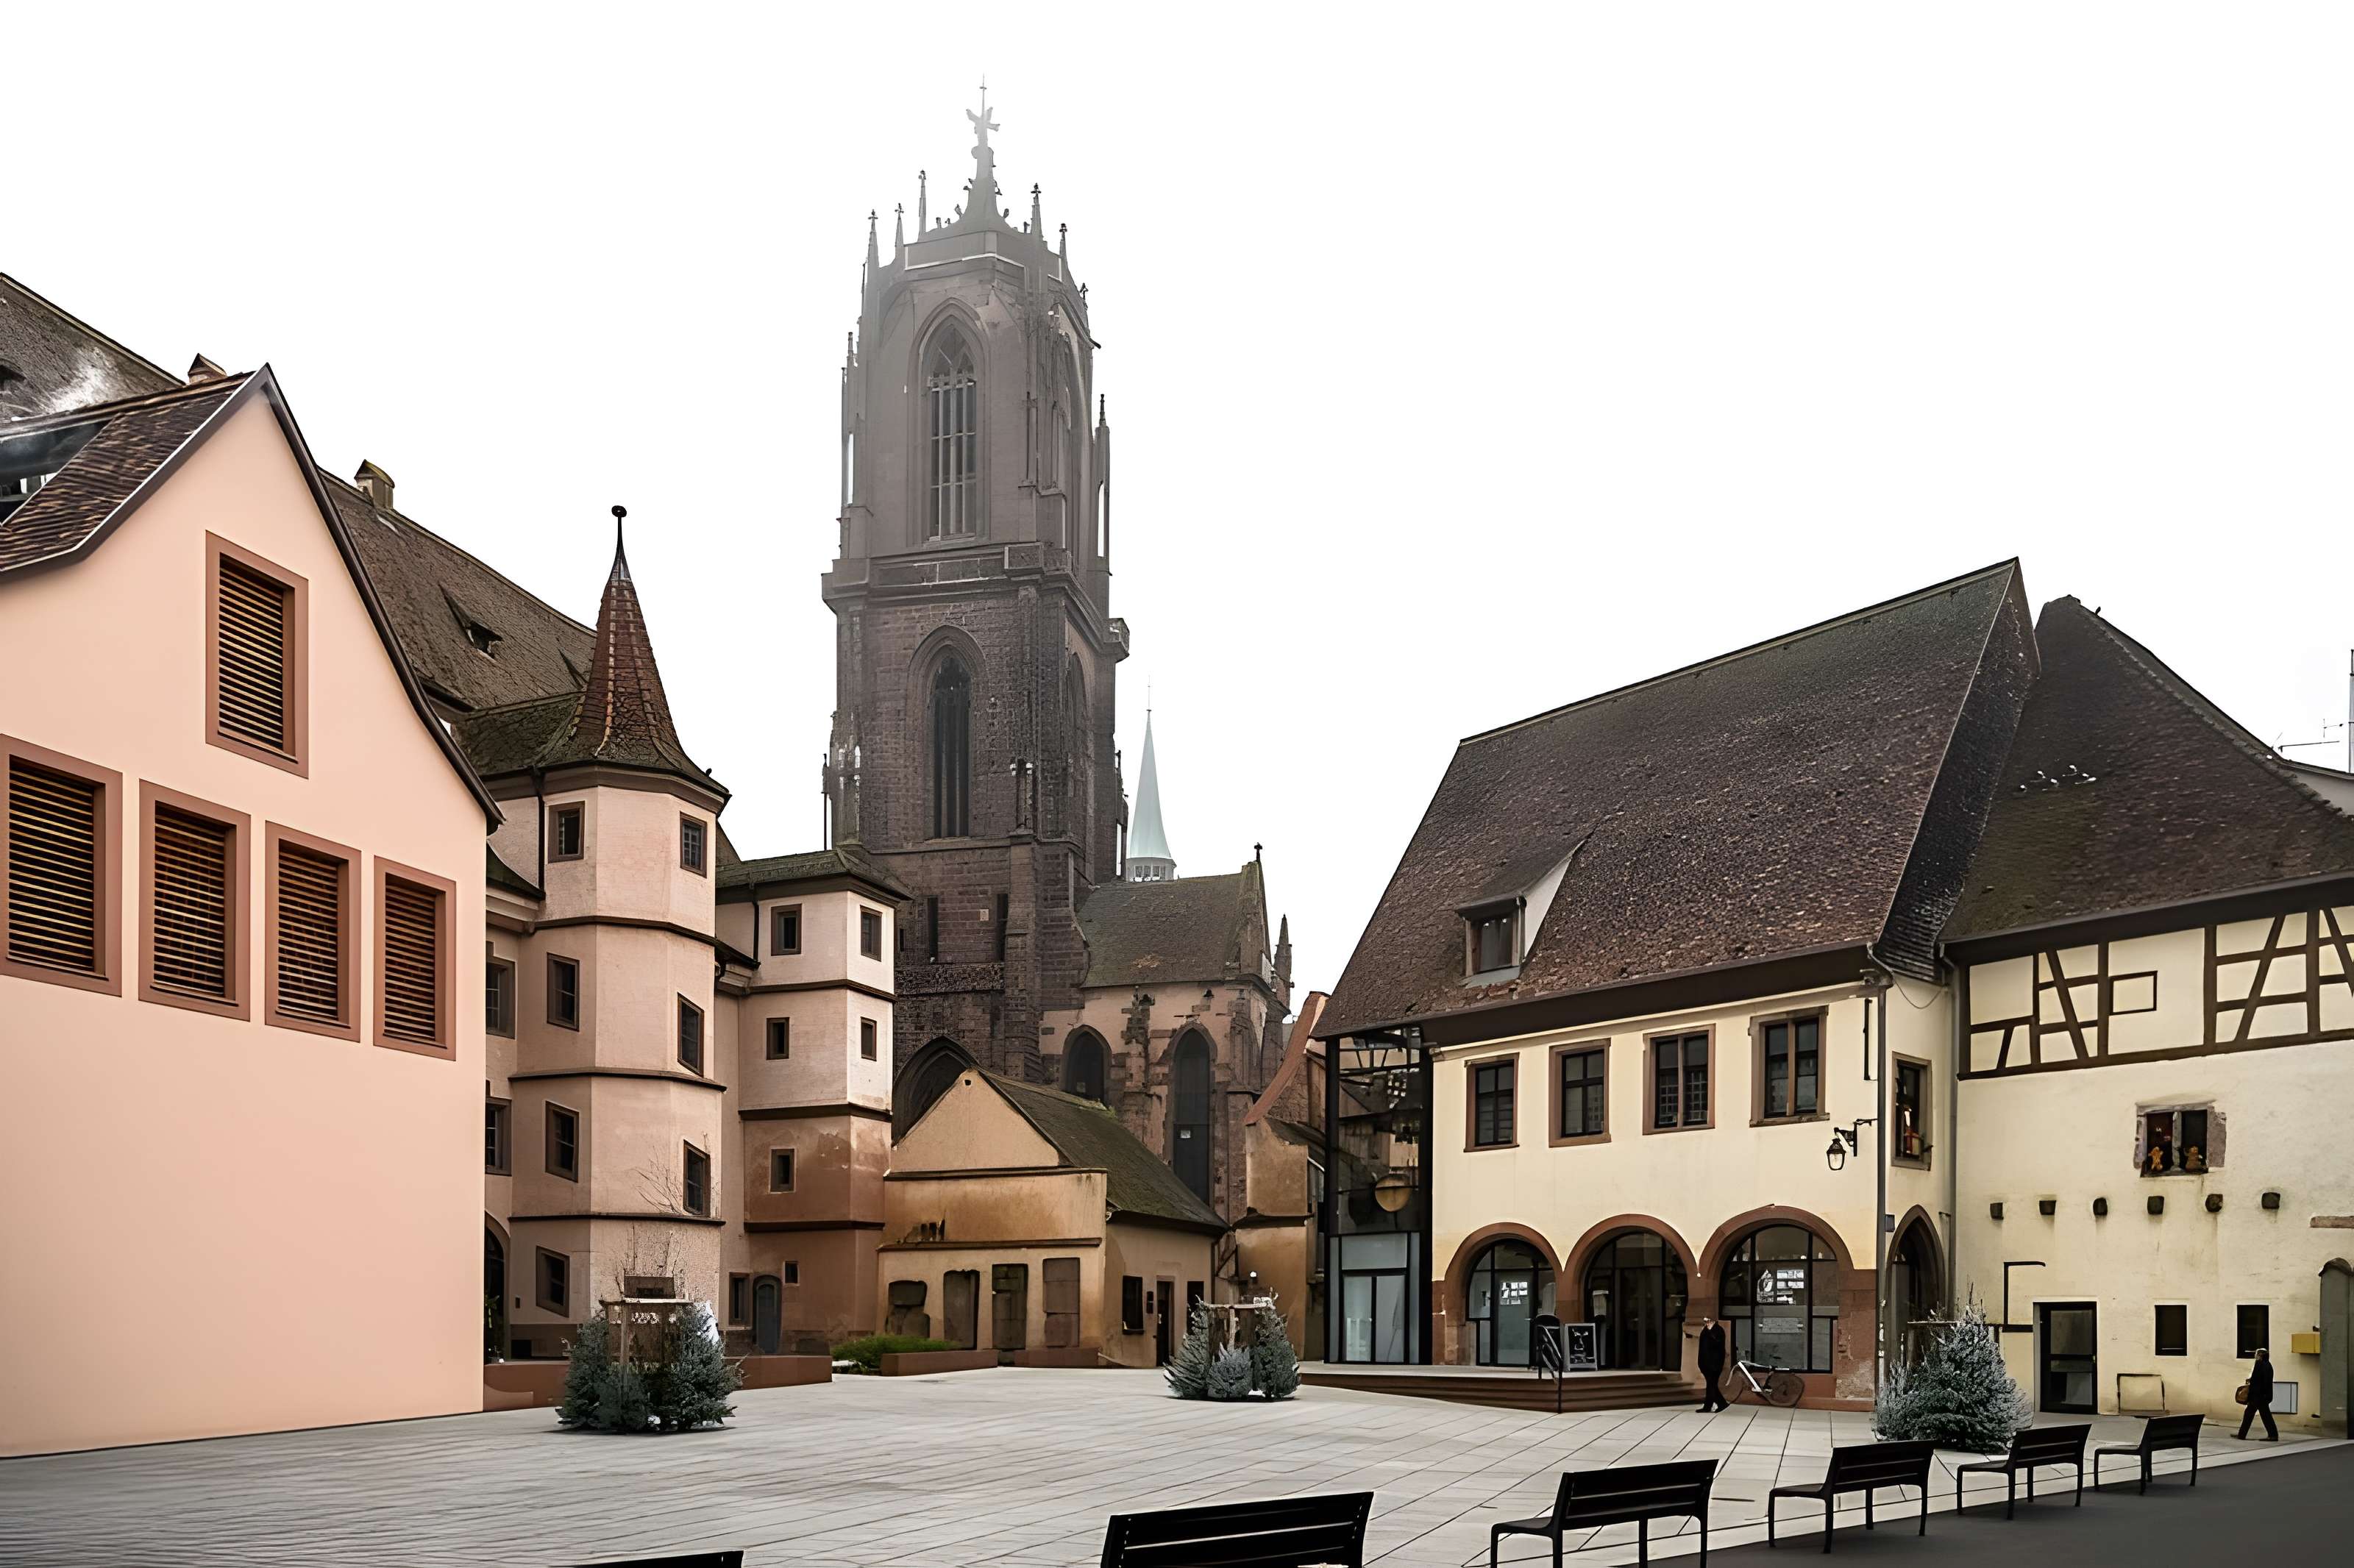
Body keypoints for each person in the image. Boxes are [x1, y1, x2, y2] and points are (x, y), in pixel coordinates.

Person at [2237, 1347, 2279, 1441]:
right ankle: (2241, 1435)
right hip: (2262, 1396)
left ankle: (2273, 1435)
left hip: (2258, 1396)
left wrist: (2252, 1393)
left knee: (2263, 1416)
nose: (2255, 1356)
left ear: (2260, 1355)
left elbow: (2258, 1381)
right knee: (2251, 1414)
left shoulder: (2260, 1365)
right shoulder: (2267, 1365)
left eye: (2256, 1354)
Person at [1696, 1316, 1729, 1412]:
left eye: (1708, 1320)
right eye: (1705, 1320)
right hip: (1705, 1363)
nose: (1706, 1322)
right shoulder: (1705, 1330)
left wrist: (1711, 1332)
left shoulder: (1718, 1330)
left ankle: (1722, 1403)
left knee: (1712, 1385)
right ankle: (1708, 1406)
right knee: (1711, 1385)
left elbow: (1718, 1344)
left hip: (1714, 1364)